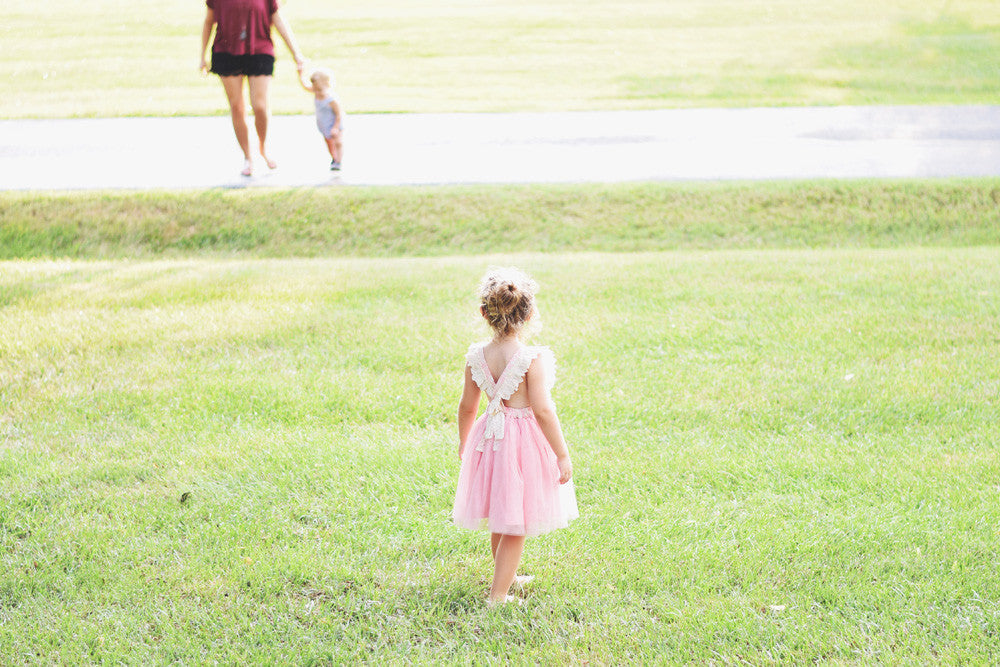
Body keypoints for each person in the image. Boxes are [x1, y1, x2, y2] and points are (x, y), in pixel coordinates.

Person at [452, 267, 579, 606]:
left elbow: (467, 407)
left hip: (488, 440)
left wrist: (465, 443)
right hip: (520, 443)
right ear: (530, 312)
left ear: (484, 312)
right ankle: (498, 595)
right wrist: (562, 454)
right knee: (516, 522)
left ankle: (505, 574)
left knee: (501, 512)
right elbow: (543, 410)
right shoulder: (530, 359)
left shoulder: (476, 356)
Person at [200, 0, 306, 177]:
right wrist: (202, 56)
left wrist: (297, 54)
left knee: (260, 106)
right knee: (237, 106)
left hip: (260, 50)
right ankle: (248, 157)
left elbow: (278, 20)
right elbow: (209, 21)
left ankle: (263, 148)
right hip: (226, 51)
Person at [298, 67, 344, 170]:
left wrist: (335, 127)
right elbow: (305, 86)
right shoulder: (316, 92)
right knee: (329, 143)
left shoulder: (331, 99)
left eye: (319, 89)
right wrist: (300, 74)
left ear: (327, 85)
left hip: (334, 124)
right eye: (315, 89)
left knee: (338, 142)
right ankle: (334, 158)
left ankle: (339, 161)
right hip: (324, 124)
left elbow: (339, 114)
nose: (317, 92)